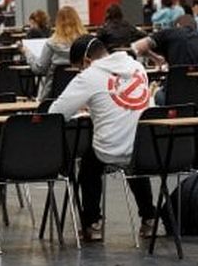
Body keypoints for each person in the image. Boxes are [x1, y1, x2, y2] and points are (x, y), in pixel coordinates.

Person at [49, 36, 155, 240]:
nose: (80, 72)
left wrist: (86, 104)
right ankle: (149, 217)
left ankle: (93, 224)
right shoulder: (136, 66)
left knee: (88, 167)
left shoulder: (89, 76)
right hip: (145, 148)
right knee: (134, 163)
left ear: (87, 61)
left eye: (79, 67)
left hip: (110, 149)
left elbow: (57, 113)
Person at [23, 6, 86, 100]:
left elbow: (39, 69)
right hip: (82, 94)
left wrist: (28, 54)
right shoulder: (87, 42)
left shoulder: (51, 43)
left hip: (53, 95)